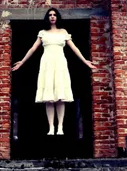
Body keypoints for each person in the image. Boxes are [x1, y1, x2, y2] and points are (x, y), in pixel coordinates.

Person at [12, 7, 97, 135]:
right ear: (47, 17)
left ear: (57, 17)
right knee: (49, 97)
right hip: (47, 64)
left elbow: (75, 48)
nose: (52, 16)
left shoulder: (63, 32)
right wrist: (22, 62)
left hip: (60, 64)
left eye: (55, 15)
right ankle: (51, 126)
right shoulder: (43, 33)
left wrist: (85, 61)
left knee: (60, 96)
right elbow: (33, 49)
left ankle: (60, 126)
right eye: (50, 15)